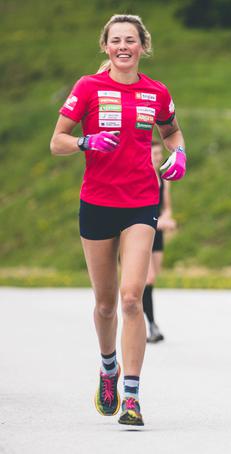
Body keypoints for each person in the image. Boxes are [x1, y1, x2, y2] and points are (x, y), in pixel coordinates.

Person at [50, 14, 187, 427]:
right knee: (106, 304)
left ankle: (131, 396)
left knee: (131, 298)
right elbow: (56, 141)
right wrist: (83, 141)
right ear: (106, 47)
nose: (123, 46)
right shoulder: (88, 88)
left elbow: (173, 133)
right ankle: (107, 366)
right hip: (96, 202)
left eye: (131, 40)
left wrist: (179, 154)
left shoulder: (156, 92)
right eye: (116, 41)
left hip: (141, 202)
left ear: (143, 46)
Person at [143, 140, 178, 343]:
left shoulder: (164, 178)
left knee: (152, 279)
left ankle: (145, 316)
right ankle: (151, 325)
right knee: (146, 278)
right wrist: (159, 223)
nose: (157, 158)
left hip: (157, 232)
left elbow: (167, 206)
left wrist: (167, 218)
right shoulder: (140, 177)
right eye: (154, 154)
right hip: (142, 232)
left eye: (159, 154)